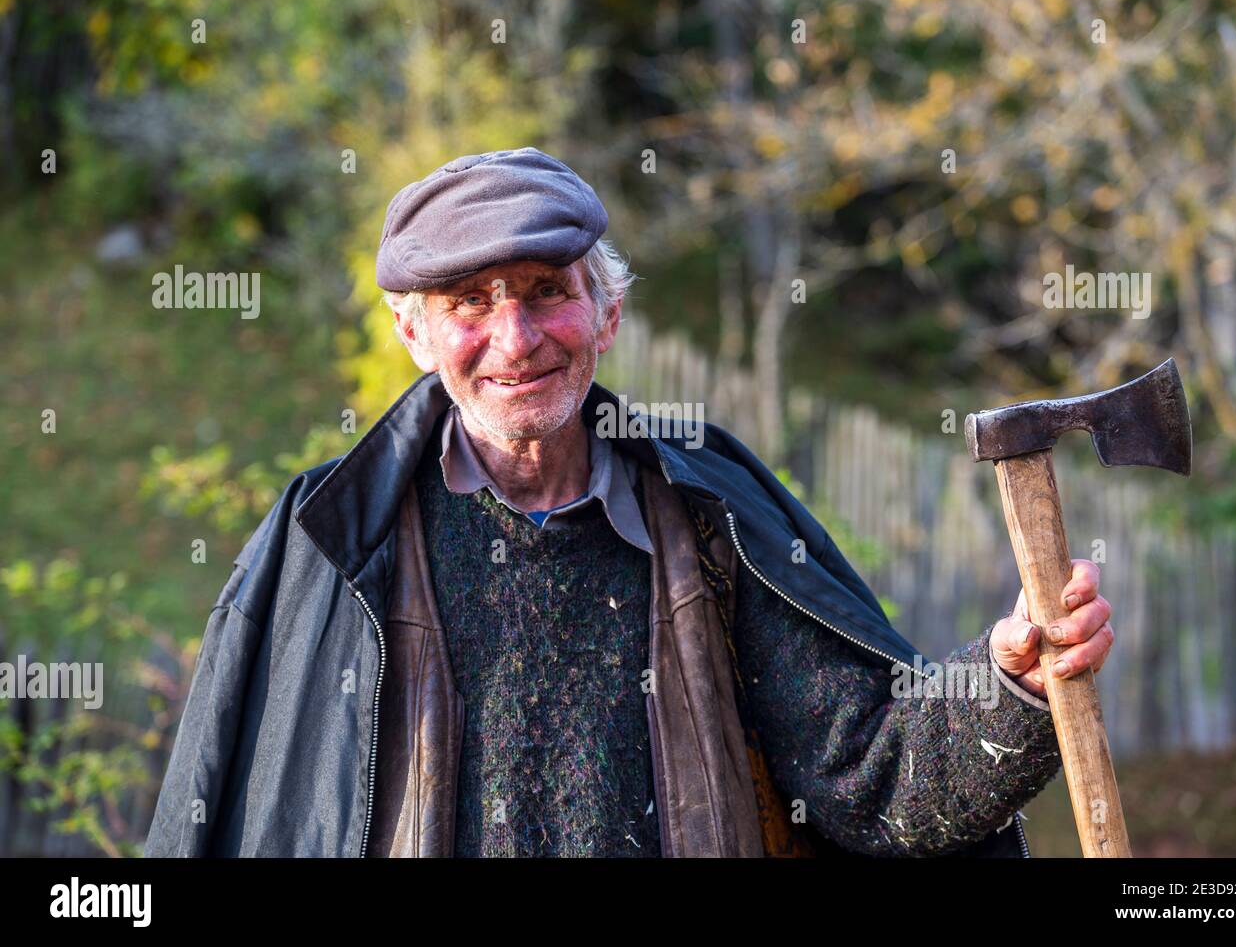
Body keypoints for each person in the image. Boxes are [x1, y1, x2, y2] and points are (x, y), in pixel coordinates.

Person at [144, 147, 1113, 857]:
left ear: (606, 309)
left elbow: (875, 784)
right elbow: (225, 812)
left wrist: (1010, 679)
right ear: (413, 333)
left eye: (542, 291)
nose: (515, 338)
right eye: (469, 303)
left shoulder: (709, 514)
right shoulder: (327, 542)